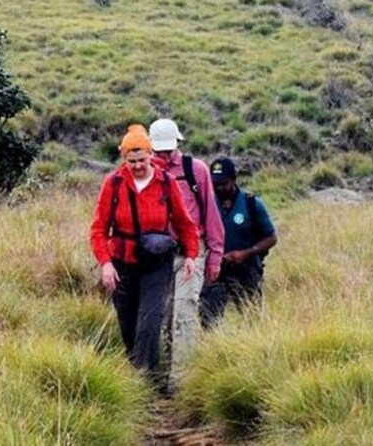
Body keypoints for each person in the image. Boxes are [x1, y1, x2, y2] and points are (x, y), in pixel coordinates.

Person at [89, 125, 199, 382]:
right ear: (124, 159)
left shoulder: (166, 183)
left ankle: (144, 383)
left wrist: (192, 255)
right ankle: (138, 372)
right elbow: (98, 229)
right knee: (128, 325)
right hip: (122, 263)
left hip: (156, 263)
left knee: (149, 323)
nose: (137, 166)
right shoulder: (113, 184)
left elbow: (184, 223)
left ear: (151, 155)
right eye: (131, 161)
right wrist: (105, 264)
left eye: (142, 160)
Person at [148, 118, 224, 387]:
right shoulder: (144, 172)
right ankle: (162, 374)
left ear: (178, 143)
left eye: (167, 150)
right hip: (157, 258)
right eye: (158, 151)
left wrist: (215, 256)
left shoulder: (196, 171)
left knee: (185, 313)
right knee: (162, 315)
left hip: (191, 254)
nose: (164, 156)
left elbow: (211, 215)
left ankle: (182, 382)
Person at [199, 157, 277, 329]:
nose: (218, 188)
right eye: (214, 183)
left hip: (247, 270)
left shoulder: (251, 203)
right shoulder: (206, 204)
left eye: (223, 183)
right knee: (209, 321)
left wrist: (245, 253)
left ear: (234, 179)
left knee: (252, 319)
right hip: (215, 271)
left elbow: (271, 238)